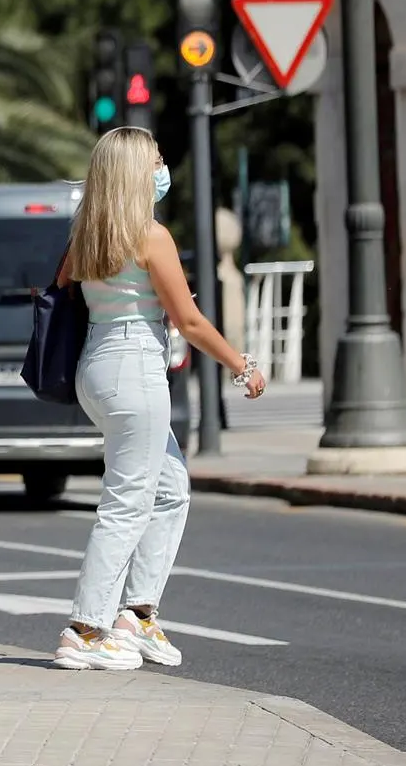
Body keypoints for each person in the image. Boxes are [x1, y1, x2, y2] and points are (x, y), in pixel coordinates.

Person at [54, 127, 267, 671]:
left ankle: (138, 615)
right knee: (126, 502)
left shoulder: (87, 235)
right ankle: (86, 629)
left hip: (97, 367)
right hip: (133, 368)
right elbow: (189, 321)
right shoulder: (151, 237)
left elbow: (61, 289)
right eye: (155, 160)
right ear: (134, 174)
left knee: (170, 488)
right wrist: (242, 364)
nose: (162, 169)